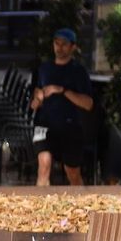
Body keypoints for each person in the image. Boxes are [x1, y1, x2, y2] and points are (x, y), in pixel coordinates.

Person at [29, 27, 95, 186]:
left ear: (73, 47)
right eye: (56, 43)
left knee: (72, 172)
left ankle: (80, 205)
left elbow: (88, 104)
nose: (59, 47)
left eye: (64, 44)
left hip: (69, 125)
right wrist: (37, 99)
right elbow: (34, 101)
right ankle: (41, 208)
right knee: (44, 165)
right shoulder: (44, 69)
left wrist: (62, 90)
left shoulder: (78, 71)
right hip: (44, 124)